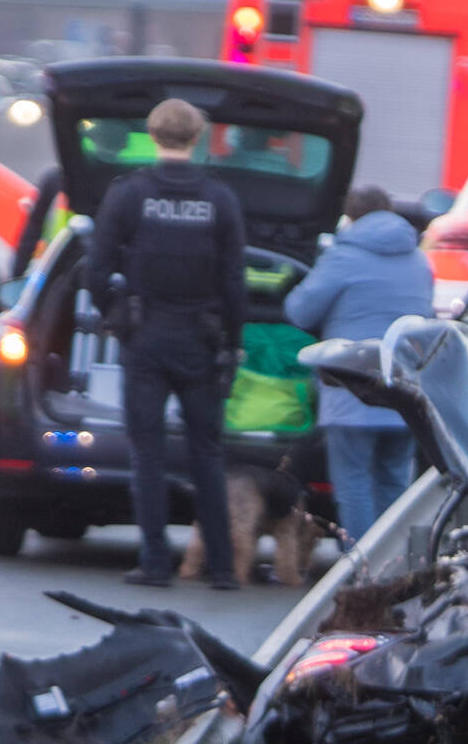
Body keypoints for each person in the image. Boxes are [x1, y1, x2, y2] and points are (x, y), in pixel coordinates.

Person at [87, 96, 245, 590]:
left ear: (153, 135)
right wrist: (231, 343)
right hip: (201, 338)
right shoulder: (219, 199)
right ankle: (222, 568)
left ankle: (155, 561)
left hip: (146, 339)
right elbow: (234, 281)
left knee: (148, 452)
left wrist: (118, 315)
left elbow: (96, 271)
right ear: (196, 138)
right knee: (208, 454)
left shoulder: (129, 194)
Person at [282, 182, 431, 540]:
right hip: (406, 389)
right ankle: (394, 567)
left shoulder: (343, 256)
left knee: (354, 485)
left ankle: (361, 574)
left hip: (352, 389)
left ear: (350, 217)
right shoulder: (418, 259)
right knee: (395, 481)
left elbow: (300, 311)